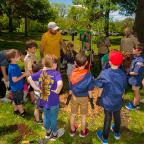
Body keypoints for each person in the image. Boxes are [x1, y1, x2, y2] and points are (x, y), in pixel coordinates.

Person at [28, 54, 63, 141]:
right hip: (54, 102)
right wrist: (58, 91)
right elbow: (60, 83)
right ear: (54, 65)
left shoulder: (41, 73)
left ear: (44, 64)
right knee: (53, 118)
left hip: (43, 101)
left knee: (46, 117)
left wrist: (36, 88)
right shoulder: (56, 73)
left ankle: (48, 133)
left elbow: (29, 78)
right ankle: (54, 134)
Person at [95, 51, 126, 144]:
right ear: (120, 63)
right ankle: (116, 132)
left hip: (107, 101)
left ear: (110, 62)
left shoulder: (104, 73)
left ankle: (104, 138)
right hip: (118, 100)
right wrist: (122, 97)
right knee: (117, 116)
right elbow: (123, 89)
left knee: (108, 117)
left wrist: (99, 97)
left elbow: (100, 87)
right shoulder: (123, 74)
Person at [69, 52, 94, 138]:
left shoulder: (72, 73)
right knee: (83, 116)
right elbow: (90, 91)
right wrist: (91, 100)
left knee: (73, 114)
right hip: (84, 98)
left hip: (74, 97)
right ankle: (83, 132)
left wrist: (70, 95)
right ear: (86, 63)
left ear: (75, 63)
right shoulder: (89, 75)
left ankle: (72, 130)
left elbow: (70, 88)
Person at [7, 49, 27, 116]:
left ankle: (15, 110)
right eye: (18, 56)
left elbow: (15, 74)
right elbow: (14, 80)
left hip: (15, 87)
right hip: (17, 88)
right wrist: (23, 75)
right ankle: (22, 113)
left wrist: (21, 73)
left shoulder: (13, 65)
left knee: (15, 100)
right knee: (19, 102)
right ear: (12, 58)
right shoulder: (13, 68)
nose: (19, 56)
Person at [125, 45, 144, 110]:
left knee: (136, 93)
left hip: (136, 79)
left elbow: (136, 72)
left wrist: (128, 72)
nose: (132, 50)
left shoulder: (140, 61)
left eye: (134, 49)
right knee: (137, 92)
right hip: (135, 79)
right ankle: (137, 104)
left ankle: (133, 106)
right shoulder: (136, 57)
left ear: (139, 51)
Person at [24, 39, 37, 103]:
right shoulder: (29, 57)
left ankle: (32, 98)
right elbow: (30, 69)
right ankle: (33, 100)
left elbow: (34, 64)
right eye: (34, 48)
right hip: (30, 75)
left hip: (32, 74)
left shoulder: (33, 55)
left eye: (35, 48)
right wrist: (34, 76)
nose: (35, 50)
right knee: (32, 87)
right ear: (29, 49)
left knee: (32, 87)